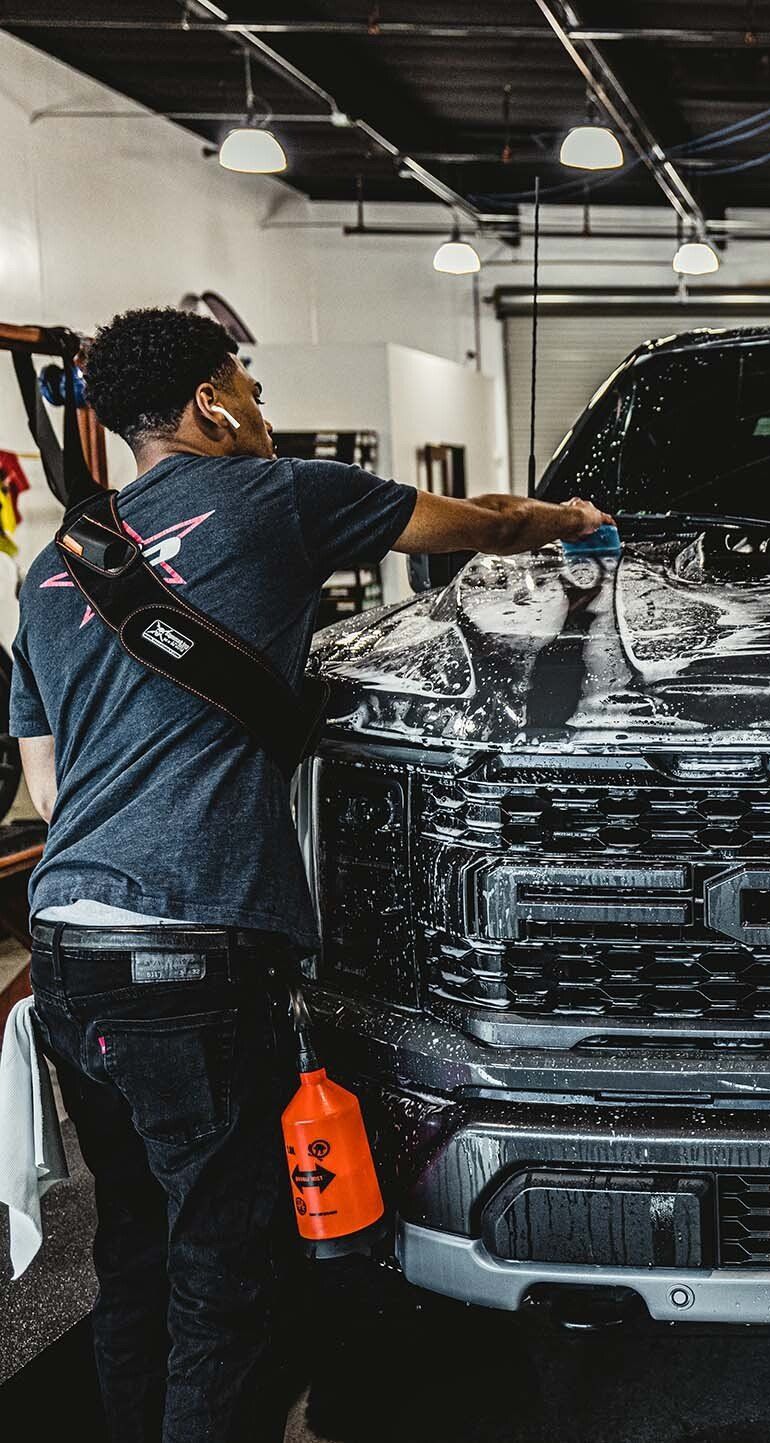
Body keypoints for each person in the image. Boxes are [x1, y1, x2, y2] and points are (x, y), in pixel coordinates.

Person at [10, 306, 610, 1442]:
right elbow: (481, 524)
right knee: (227, 1269)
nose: (259, 409)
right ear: (208, 403)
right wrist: (572, 518)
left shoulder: (54, 568)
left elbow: (49, 794)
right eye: (249, 387)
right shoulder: (273, 496)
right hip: (191, 944)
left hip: (68, 949)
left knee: (130, 1246)